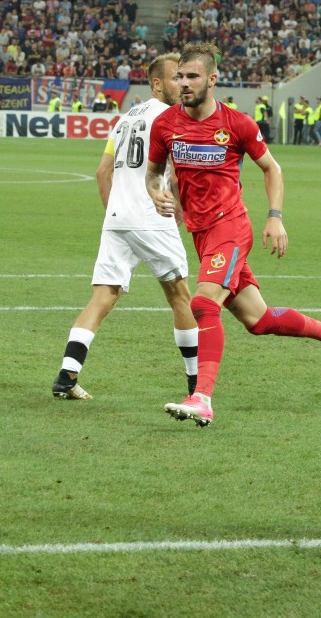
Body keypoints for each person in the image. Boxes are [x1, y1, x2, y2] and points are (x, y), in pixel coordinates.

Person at [146, 42, 321, 427]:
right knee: (257, 320)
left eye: (192, 76)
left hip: (230, 227)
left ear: (212, 79)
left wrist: (275, 217)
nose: (184, 83)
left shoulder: (237, 124)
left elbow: (272, 169)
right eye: (179, 77)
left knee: (203, 303)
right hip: (201, 234)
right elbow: (154, 172)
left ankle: (202, 397)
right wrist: (156, 193)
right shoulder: (165, 124)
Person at [51, 53, 198, 401]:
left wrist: (117, 213)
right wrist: (182, 208)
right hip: (151, 215)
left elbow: (102, 172)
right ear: (157, 84)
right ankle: (198, 386)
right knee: (180, 295)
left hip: (118, 217)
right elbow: (176, 173)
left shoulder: (124, 119)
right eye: (175, 78)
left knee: (104, 296)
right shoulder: (173, 118)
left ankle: (67, 375)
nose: (183, 83)